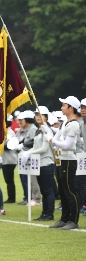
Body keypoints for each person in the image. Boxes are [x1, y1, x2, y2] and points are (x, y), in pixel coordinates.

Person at [49, 96, 81, 230]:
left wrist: (53, 141)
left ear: (71, 108)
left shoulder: (74, 124)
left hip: (69, 160)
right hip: (60, 159)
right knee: (62, 190)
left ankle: (73, 220)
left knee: (69, 190)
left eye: (64, 105)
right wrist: (51, 137)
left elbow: (67, 145)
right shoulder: (64, 123)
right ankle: (64, 218)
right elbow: (56, 139)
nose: (61, 107)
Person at [22, 108, 55, 221]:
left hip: (46, 162)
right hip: (39, 163)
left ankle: (49, 214)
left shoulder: (47, 130)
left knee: (48, 190)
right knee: (43, 190)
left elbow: (44, 148)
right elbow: (36, 147)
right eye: (36, 114)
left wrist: (29, 152)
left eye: (40, 114)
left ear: (46, 116)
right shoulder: (38, 130)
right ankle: (44, 213)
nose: (38, 116)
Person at [1, 115, 18, 204]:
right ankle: (11, 197)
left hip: (9, 159)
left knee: (9, 179)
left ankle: (11, 198)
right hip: (6, 159)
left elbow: (8, 145)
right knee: (8, 179)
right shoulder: (6, 132)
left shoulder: (9, 133)